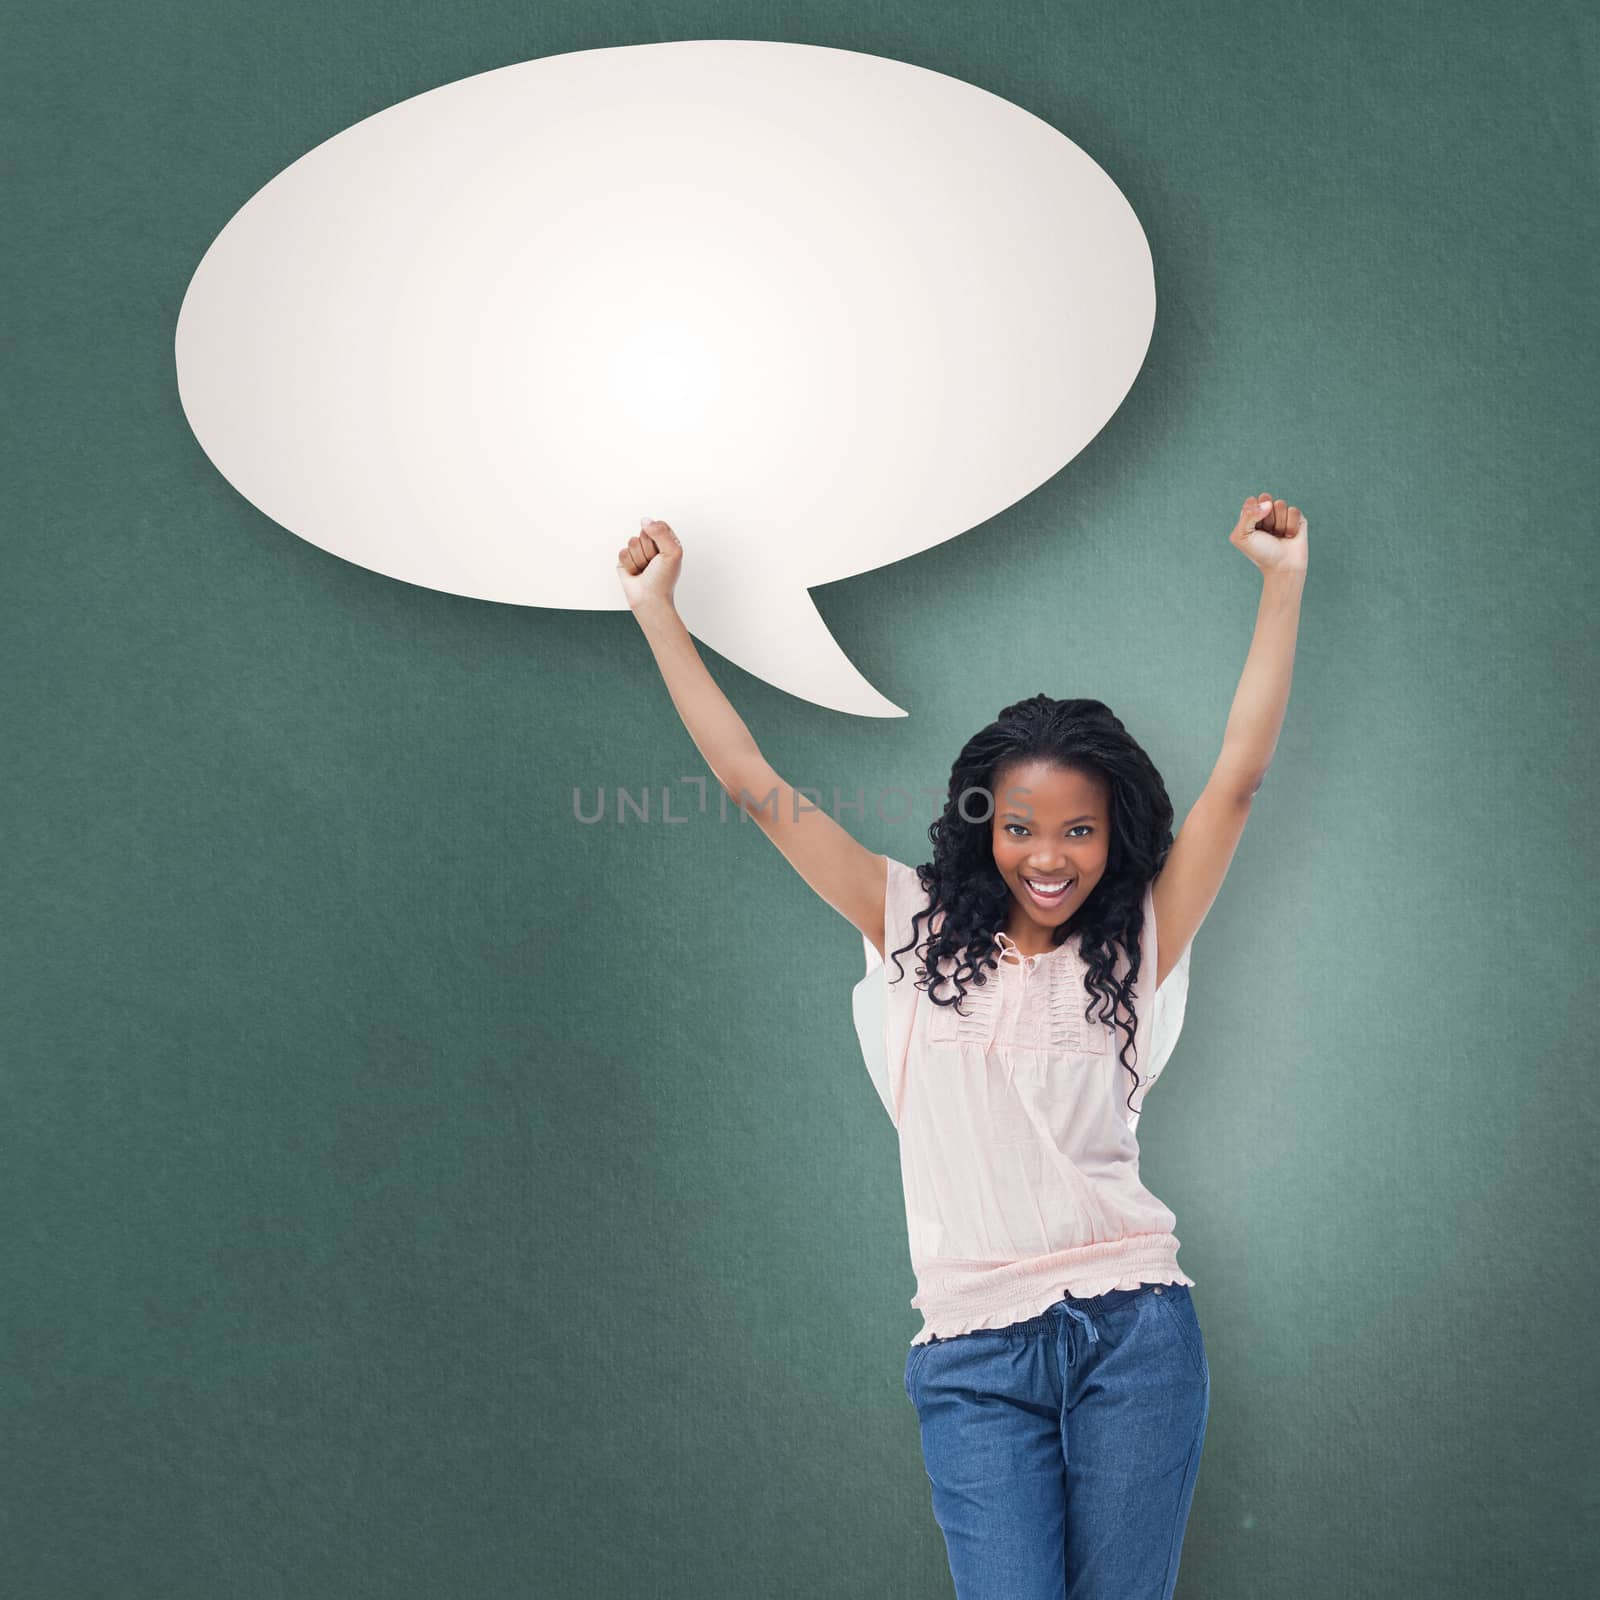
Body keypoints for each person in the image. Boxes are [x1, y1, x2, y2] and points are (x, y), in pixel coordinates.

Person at [617, 495, 1308, 1599]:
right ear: (983, 827)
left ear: (1113, 833)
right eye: (1022, 826)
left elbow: (1237, 778)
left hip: (1134, 1333)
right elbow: (753, 782)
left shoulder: (1138, 941)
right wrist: (656, 609)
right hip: (972, 1354)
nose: (1049, 854)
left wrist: (1282, 583)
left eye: (1079, 829)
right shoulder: (907, 921)